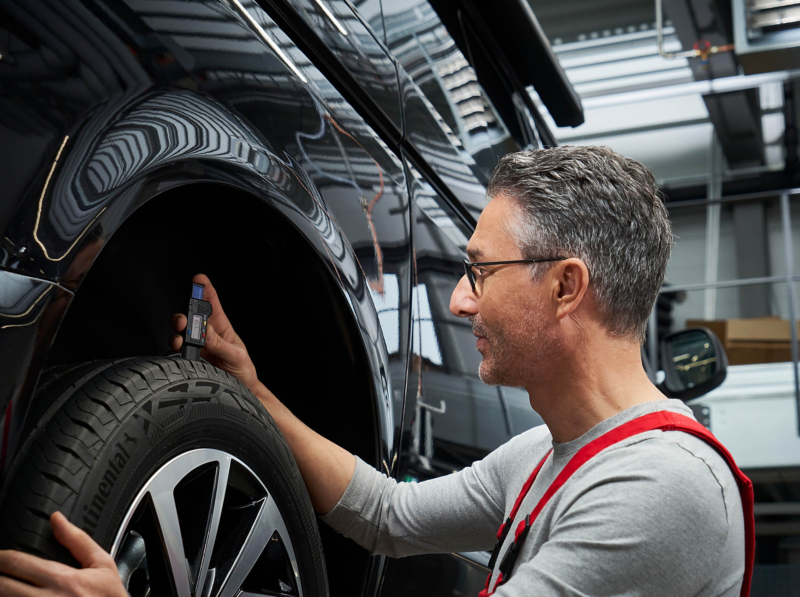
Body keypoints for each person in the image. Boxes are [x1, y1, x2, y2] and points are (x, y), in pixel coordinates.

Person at [0, 146, 749, 596]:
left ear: (564, 286)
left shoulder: (660, 487)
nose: (459, 299)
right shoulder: (548, 456)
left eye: (481, 271)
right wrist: (255, 392)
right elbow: (388, 516)